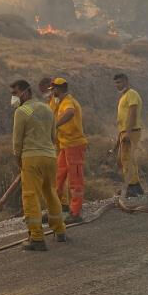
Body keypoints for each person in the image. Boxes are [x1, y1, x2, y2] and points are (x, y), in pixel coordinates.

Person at [11, 79, 66, 251]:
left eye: (15, 93)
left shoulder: (21, 111)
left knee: (30, 195)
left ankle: (36, 238)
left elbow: (17, 142)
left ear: (25, 92)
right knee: (50, 192)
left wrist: (18, 160)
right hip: (50, 156)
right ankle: (60, 231)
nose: (13, 97)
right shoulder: (48, 108)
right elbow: (53, 136)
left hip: (31, 157)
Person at [50, 78, 87, 224]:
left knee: (75, 180)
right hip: (65, 145)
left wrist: (55, 125)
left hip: (74, 145)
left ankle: (75, 212)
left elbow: (70, 113)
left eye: (53, 89)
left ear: (59, 89)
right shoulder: (60, 102)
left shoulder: (68, 102)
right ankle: (55, 210)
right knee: (58, 177)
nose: (52, 92)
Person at [39, 75, 70, 214]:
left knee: (59, 173)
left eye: (46, 90)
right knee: (58, 174)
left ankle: (62, 204)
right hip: (55, 141)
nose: (45, 93)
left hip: (60, 141)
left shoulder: (58, 101)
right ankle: (60, 203)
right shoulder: (50, 102)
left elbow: (58, 119)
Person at [114, 72, 145, 197]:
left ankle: (132, 187)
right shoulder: (124, 96)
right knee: (127, 159)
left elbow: (133, 113)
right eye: (116, 83)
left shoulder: (131, 94)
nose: (117, 85)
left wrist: (127, 132)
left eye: (119, 82)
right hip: (125, 131)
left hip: (131, 131)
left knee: (126, 158)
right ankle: (135, 186)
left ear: (126, 81)